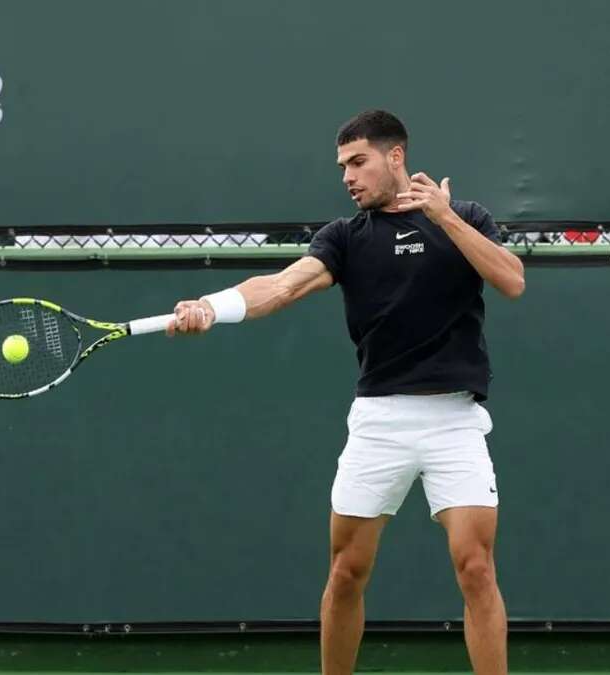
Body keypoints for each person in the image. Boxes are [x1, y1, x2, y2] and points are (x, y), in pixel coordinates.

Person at [167, 109, 525, 675]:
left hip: (454, 421)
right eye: (342, 167)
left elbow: (512, 279)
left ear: (396, 157)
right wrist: (214, 306)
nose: (348, 176)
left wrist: (446, 218)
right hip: (379, 421)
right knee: (345, 572)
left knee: (476, 566)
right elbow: (281, 286)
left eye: (358, 162)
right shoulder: (345, 238)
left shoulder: (465, 215)